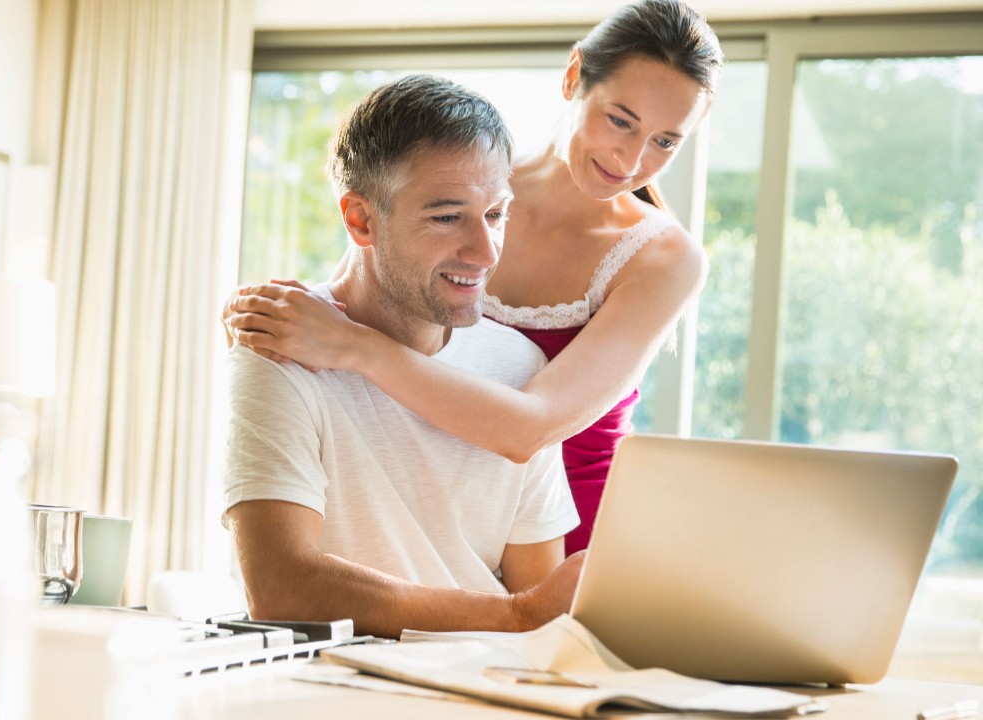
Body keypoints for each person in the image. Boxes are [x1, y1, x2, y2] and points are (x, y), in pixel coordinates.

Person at [225, 0, 724, 555]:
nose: (631, 159)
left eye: (665, 141)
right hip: (441, 513)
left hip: (576, 546)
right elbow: (368, 285)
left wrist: (350, 345)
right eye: (620, 120)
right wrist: (266, 318)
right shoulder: (469, 179)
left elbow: (529, 430)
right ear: (574, 75)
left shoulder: (664, 258)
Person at [223, 74, 584, 639]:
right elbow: (280, 587)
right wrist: (515, 618)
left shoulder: (519, 367)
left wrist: (528, 621)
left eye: (496, 215)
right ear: (361, 219)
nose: (486, 252)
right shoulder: (277, 348)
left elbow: (541, 602)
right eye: (447, 217)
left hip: (487, 678)